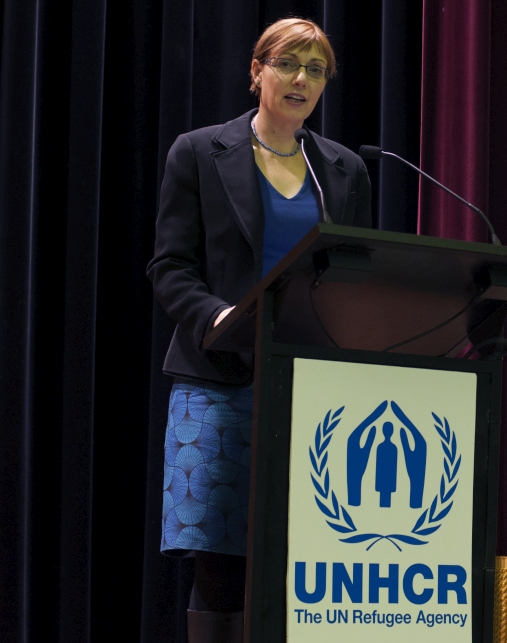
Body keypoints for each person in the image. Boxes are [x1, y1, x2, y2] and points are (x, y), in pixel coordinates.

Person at [146, 17, 371, 642]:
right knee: (223, 561)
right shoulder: (199, 152)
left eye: (316, 69)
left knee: (306, 554)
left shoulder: (346, 171)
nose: (302, 79)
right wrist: (218, 316)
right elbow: (169, 266)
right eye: (288, 64)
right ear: (257, 72)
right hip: (220, 380)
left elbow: (358, 275)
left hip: (311, 386)